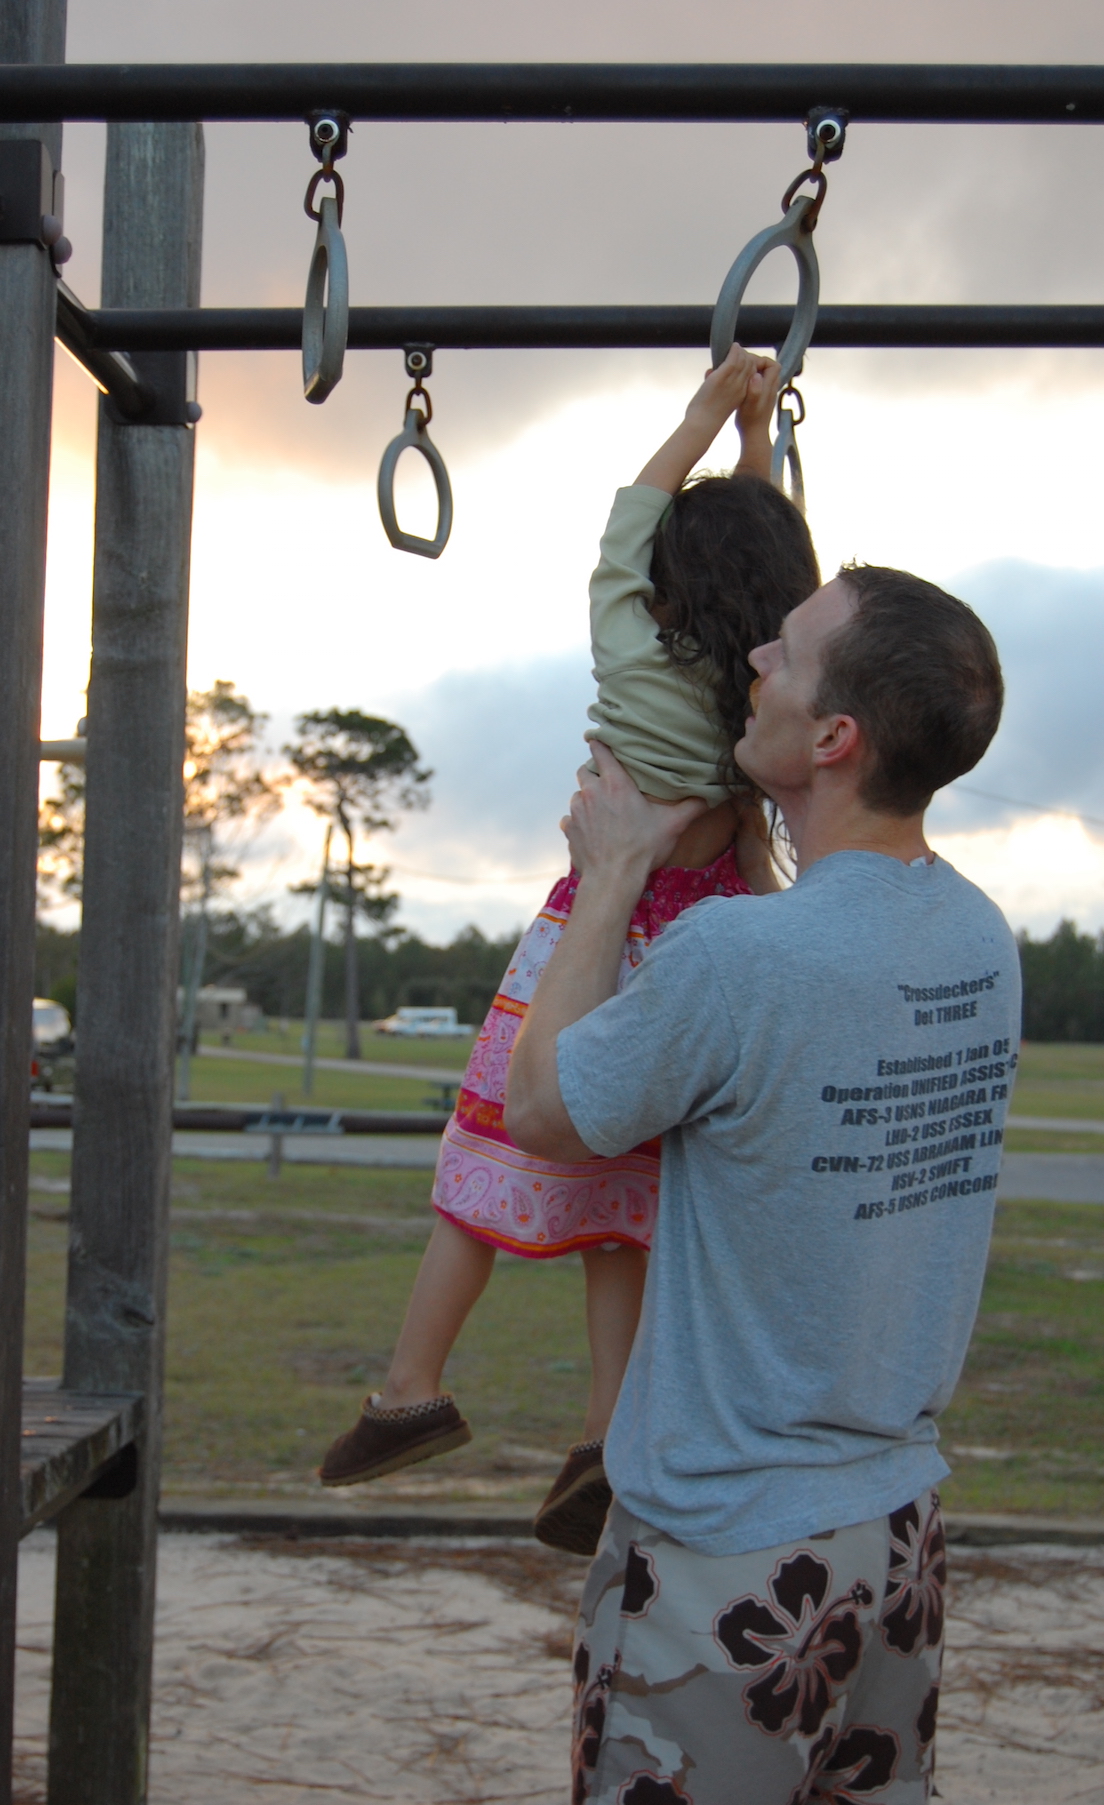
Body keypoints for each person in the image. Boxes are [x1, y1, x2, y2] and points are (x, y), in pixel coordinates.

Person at [505, 554, 1018, 1802]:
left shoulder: (735, 953)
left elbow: (542, 1109)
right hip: (899, 1537)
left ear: (834, 736)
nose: (752, 662)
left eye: (782, 654)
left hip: (729, 1552)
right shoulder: (980, 936)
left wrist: (613, 865)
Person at [317, 346, 821, 1554]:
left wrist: (707, 413)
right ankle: (602, 1435)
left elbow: (627, 518)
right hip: (700, 935)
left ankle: (410, 1383)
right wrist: (761, 453)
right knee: (625, 1204)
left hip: (597, 919)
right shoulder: (761, 696)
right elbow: (777, 568)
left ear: (659, 580)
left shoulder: (630, 646)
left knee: (484, 1147)